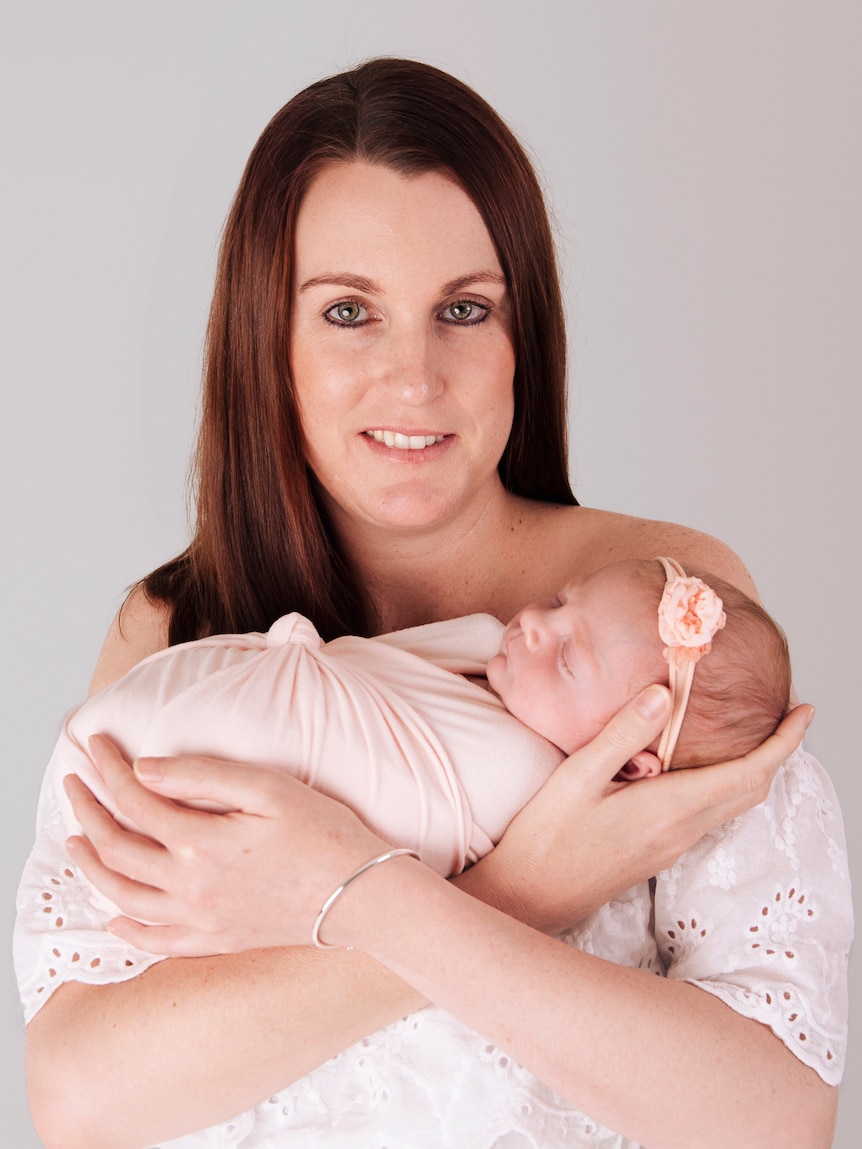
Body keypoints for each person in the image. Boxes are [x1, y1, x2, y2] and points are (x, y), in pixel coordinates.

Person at [20, 57, 848, 1149]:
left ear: (524, 339)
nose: (414, 377)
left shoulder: (663, 615)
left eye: (463, 309)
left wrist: (361, 898)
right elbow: (83, 1101)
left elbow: (773, 1120)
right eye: (350, 311)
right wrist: (516, 893)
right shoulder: (175, 633)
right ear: (269, 343)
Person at [21, 556, 788, 929]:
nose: (533, 624)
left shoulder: (519, 783)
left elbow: (393, 832)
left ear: (629, 758)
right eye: (560, 600)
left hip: (166, 772)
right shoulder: (488, 653)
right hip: (142, 740)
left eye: (567, 656)